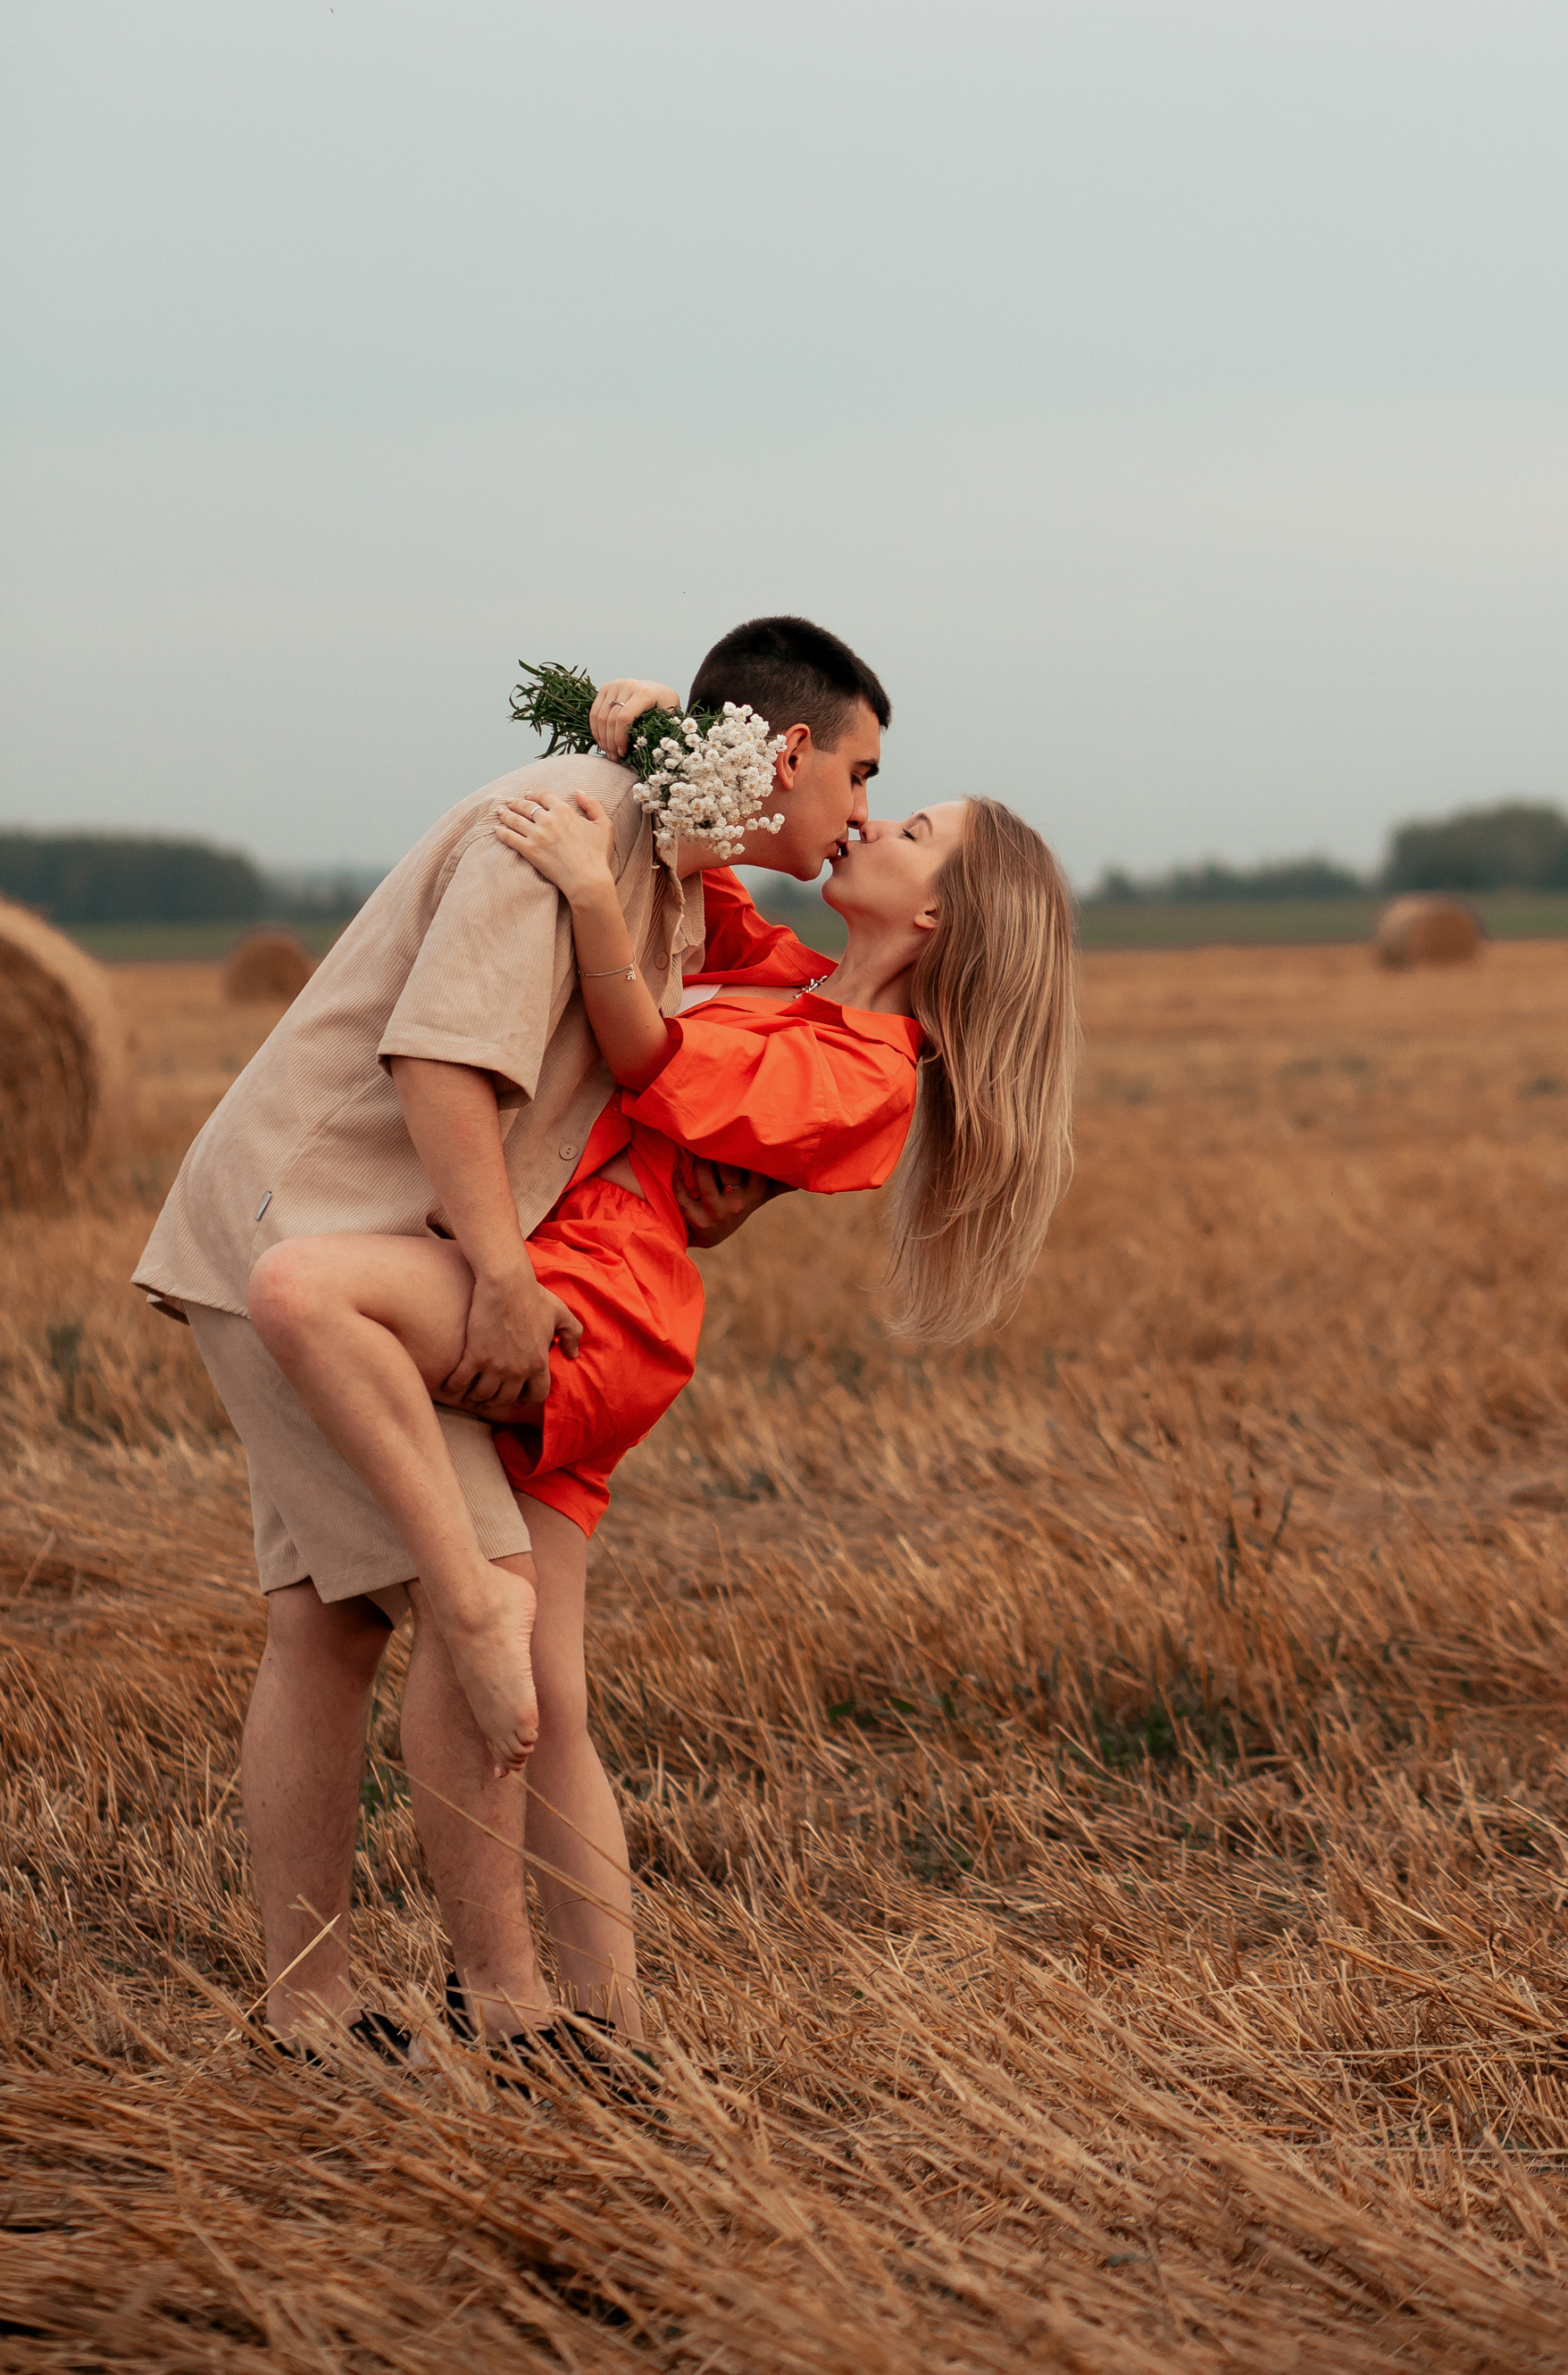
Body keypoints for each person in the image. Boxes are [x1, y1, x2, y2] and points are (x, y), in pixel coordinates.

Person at [133, 616, 889, 2063]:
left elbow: (651, 1065)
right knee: (481, 1600)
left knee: (330, 1623)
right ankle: (514, 2009)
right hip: (311, 1238)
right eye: (860, 773)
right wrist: (494, 1275)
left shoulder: (668, 873)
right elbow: (441, 1054)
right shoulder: (569, 828)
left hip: (343, 1251)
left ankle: (308, 2012)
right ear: (787, 751)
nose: (860, 811)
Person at [245, 785, 1079, 2045]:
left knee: (305, 1288)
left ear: (939, 912)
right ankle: (610, 2031)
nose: (878, 822)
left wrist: (585, 893)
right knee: (558, 1705)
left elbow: (651, 1053)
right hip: (595, 1292)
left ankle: (461, 1588)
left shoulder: (866, 1075)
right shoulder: (800, 981)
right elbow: (695, 888)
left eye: (911, 832)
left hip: (599, 1308)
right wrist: (651, 755)